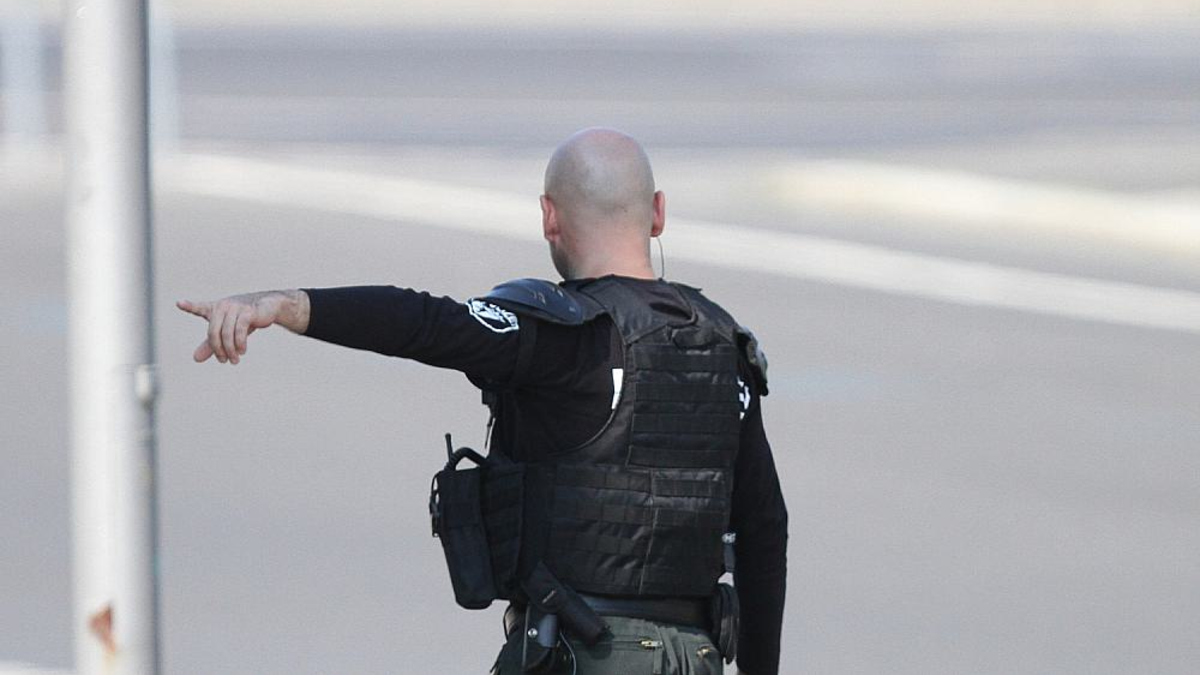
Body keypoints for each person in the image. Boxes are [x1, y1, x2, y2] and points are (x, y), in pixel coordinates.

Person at [177, 128, 788, 675]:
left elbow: (423, 321)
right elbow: (764, 529)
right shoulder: (723, 344)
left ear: (550, 217)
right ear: (658, 213)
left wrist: (286, 306)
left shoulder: (561, 336)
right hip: (697, 654)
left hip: (585, 649)